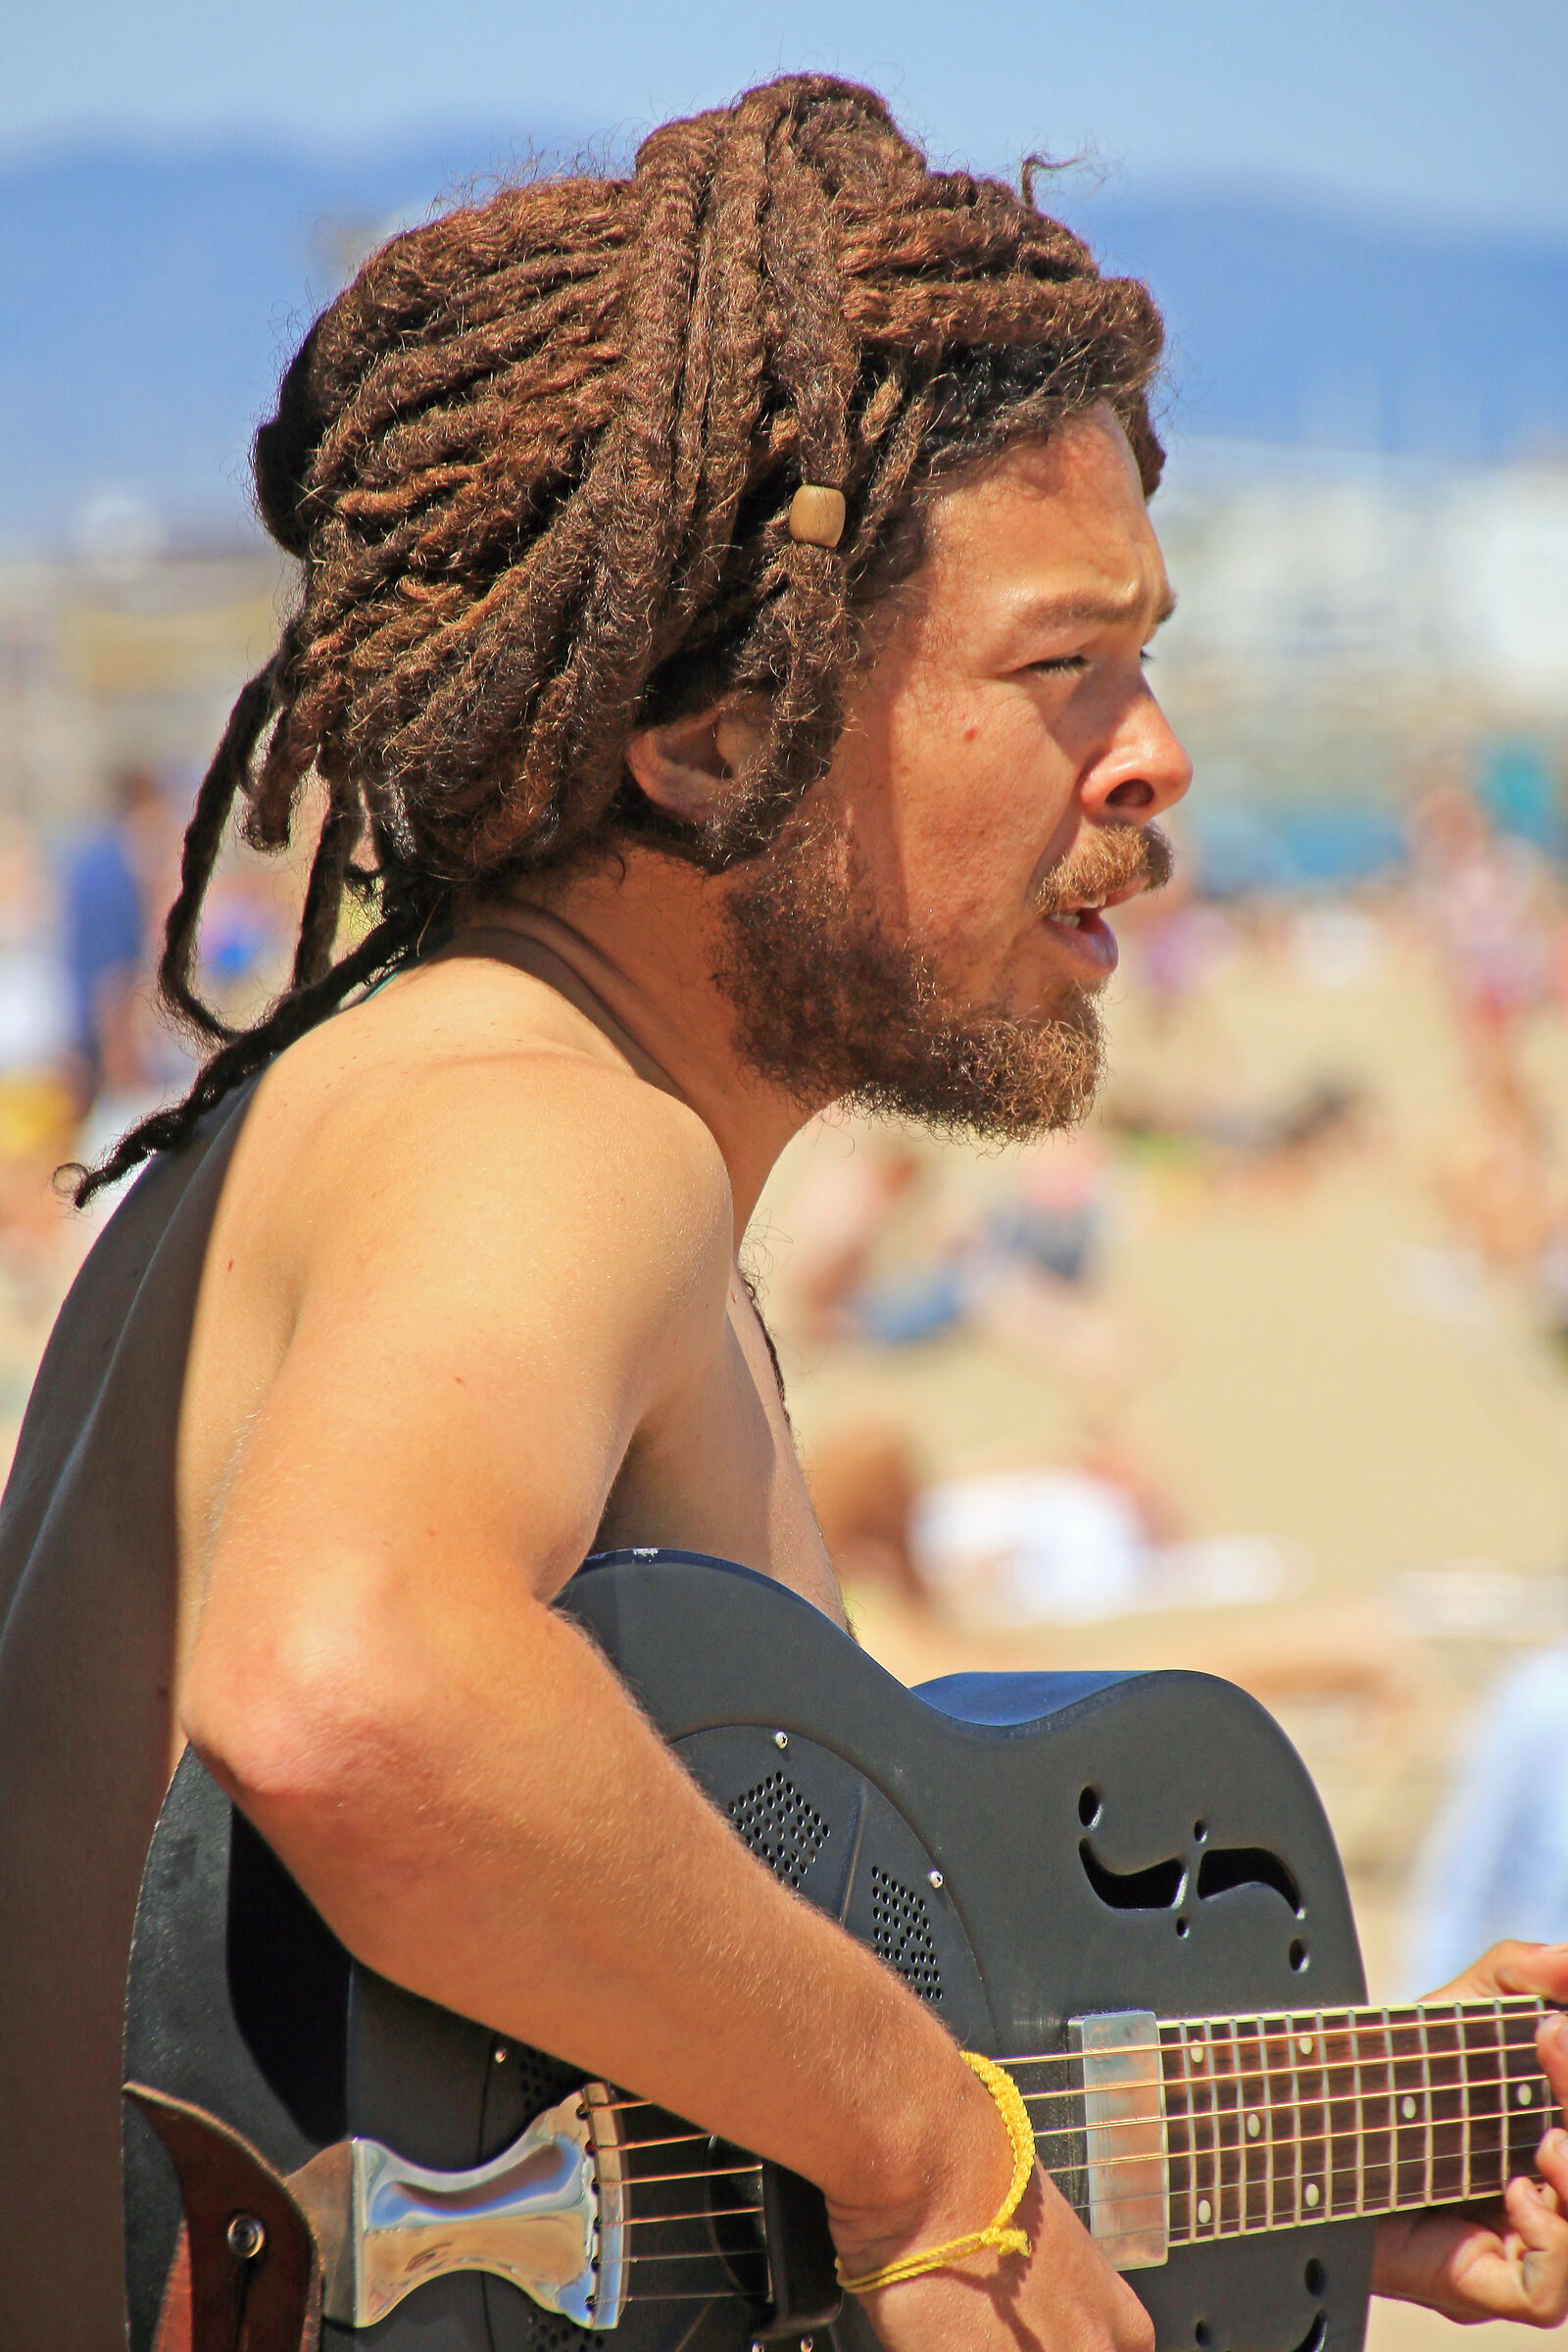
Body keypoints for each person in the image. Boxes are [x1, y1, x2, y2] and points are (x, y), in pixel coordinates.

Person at [1, 76, 1564, 2352]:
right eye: (1061, 668)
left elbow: (645, 2097)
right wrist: (934, 2157)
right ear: (715, 736)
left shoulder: (461, 1110)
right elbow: (348, 1686)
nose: (1154, 753)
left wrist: (1291, 2157)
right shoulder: (538, 1121)